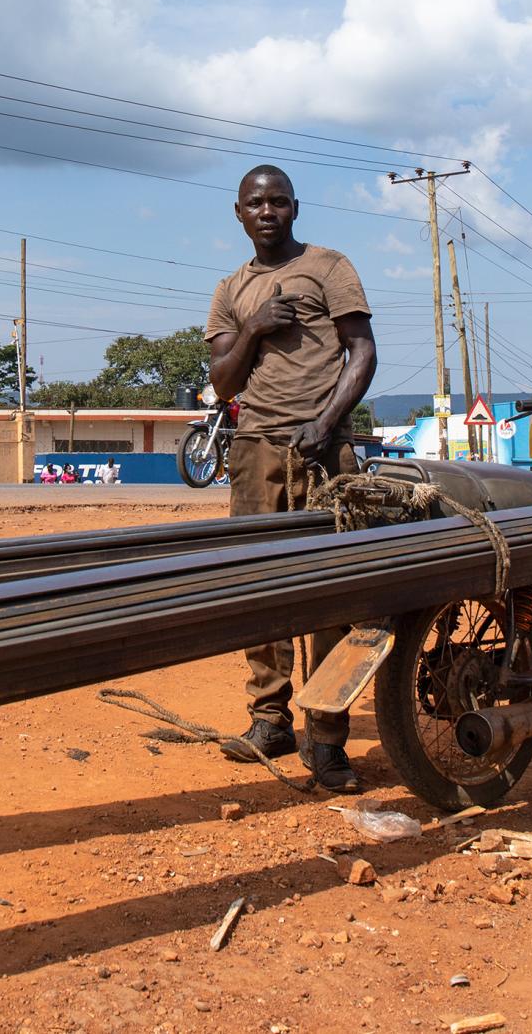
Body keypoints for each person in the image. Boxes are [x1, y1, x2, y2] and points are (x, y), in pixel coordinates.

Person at [205, 163, 377, 793]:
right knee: (256, 583)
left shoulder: (330, 268)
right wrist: (252, 327)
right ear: (240, 213)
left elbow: (363, 351)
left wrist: (328, 421)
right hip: (254, 447)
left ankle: (328, 736)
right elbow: (224, 381)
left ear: (296, 208)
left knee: (330, 591)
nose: (268, 212)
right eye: (257, 203)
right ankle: (270, 718)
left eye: (279, 201)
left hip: (325, 450)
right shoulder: (231, 290)